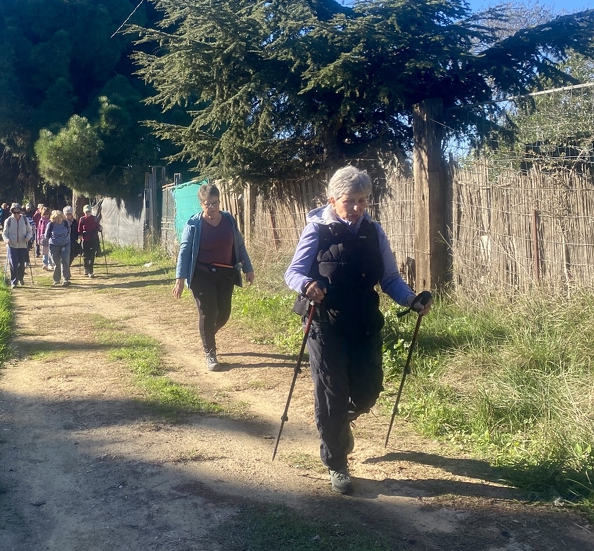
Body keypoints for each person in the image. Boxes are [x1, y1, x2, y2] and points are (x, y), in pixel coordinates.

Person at [284, 166, 432, 495]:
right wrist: (307, 284)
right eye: (350, 201)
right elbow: (293, 272)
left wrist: (411, 300)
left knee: (368, 391)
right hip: (325, 324)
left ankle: (340, 422)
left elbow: (390, 279)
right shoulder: (317, 230)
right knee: (331, 396)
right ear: (332, 200)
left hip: (365, 323)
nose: (356, 207)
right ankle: (337, 461)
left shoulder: (373, 231)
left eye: (362, 200)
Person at [173, 184, 255, 371]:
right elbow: (184, 252)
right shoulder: (194, 224)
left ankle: (207, 333)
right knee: (208, 313)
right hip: (201, 275)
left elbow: (239, 245)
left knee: (223, 315)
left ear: (219, 201)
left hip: (226, 274)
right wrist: (180, 280)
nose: (212, 207)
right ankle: (210, 352)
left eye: (215, 203)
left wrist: (248, 268)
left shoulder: (228, 220)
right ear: (201, 204)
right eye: (207, 204)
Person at [2, 202, 33, 288]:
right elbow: (4, 234)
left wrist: (28, 237)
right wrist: (6, 240)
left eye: (17, 212)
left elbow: (29, 231)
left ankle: (20, 278)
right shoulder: (8, 221)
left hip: (23, 246)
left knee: (22, 264)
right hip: (12, 246)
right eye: (14, 212)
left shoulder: (25, 220)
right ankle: (14, 282)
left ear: (20, 211)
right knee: (13, 264)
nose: (16, 214)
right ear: (11, 211)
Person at [45, 209, 72, 286]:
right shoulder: (51, 224)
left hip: (65, 244)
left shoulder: (66, 223)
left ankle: (66, 279)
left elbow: (69, 231)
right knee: (56, 263)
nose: (59, 219)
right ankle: (56, 280)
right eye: (57, 218)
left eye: (60, 217)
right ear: (53, 218)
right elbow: (46, 235)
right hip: (54, 245)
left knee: (65, 261)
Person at [77, 204, 101, 277]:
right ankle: (86, 268)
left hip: (93, 239)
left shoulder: (94, 218)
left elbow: (98, 226)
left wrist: (100, 228)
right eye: (86, 212)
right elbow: (79, 229)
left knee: (92, 255)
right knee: (85, 255)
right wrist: (80, 235)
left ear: (91, 211)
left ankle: (90, 271)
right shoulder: (82, 219)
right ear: (84, 212)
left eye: (89, 211)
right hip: (85, 239)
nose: (88, 213)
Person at [36, 205, 53, 271]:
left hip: (50, 237)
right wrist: (38, 238)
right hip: (43, 237)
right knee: (44, 251)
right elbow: (39, 230)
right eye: (44, 214)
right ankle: (45, 263)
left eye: (47, 214)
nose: (45, 216)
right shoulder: (41, 220)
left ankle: (50, 264)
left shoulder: (51, 221)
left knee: (50, 251)